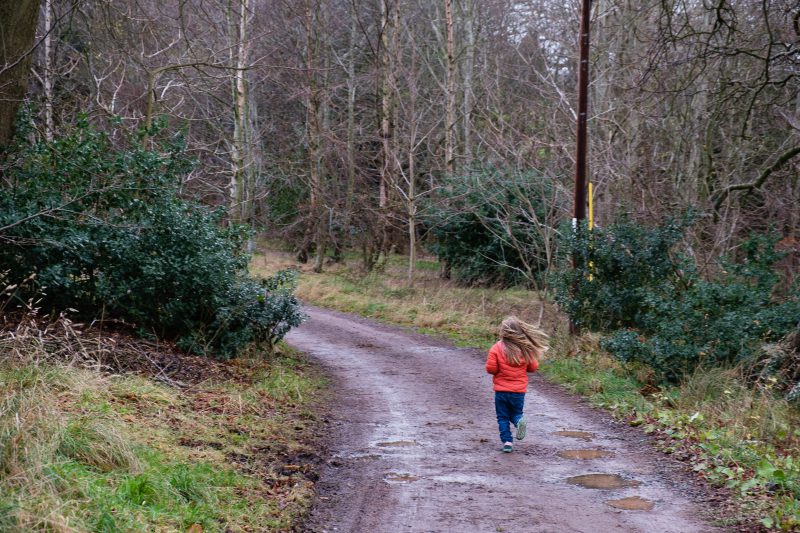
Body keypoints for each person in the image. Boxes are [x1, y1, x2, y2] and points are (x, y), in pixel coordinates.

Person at [485, 316, 549, 453]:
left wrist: (499, 370)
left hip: (501, 391)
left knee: (502, 417)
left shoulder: (496, 348)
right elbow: (532, 368)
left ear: (503, 331)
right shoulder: (525, 349)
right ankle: (519, 422)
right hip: (519, 392)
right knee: (516, 413)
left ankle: (507, 442)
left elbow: (491, 369)